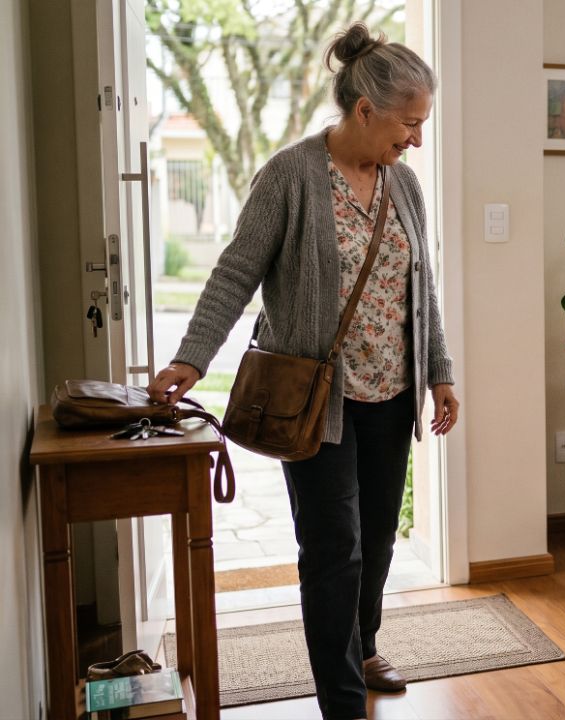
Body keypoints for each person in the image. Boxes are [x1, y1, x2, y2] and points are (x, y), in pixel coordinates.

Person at [147, 23, 458, 720]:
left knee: (378, 535)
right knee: (332, 548)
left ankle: (364, 644)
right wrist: (191, 357)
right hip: (316, 401)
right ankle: (342, 702)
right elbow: (235, 273)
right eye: (409, 124)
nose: (417, 139)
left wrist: (439, 371)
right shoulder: (289, 176)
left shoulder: (404, 185)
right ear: (365, 110)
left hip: (392, 394)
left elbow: (423, 285)